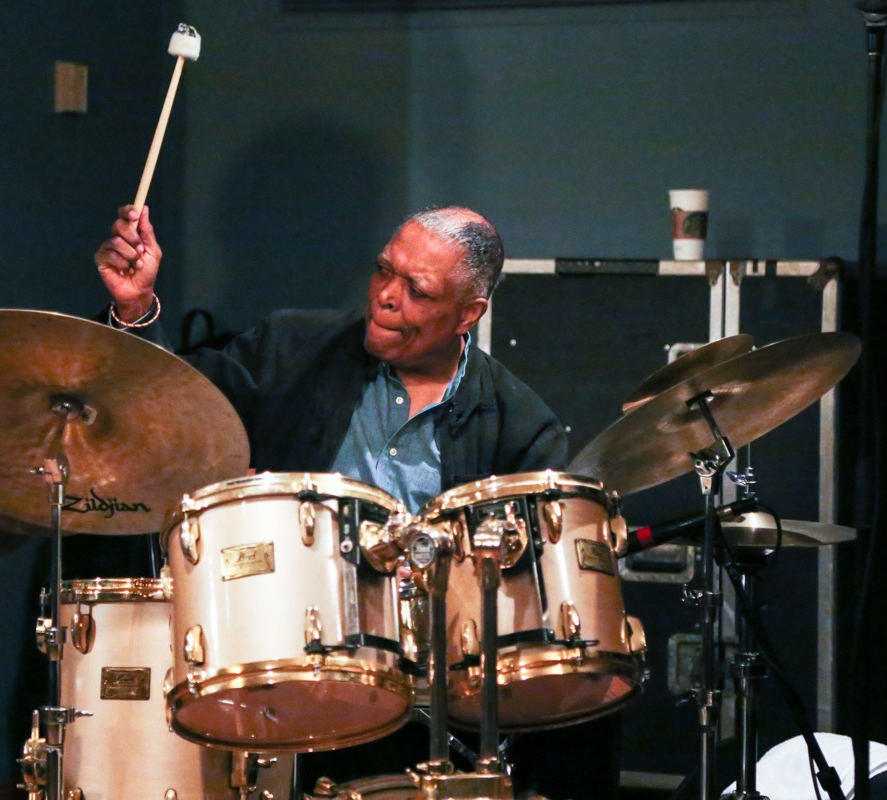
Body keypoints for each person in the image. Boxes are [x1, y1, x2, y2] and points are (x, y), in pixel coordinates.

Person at [93, 204, 621, 799]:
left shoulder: (520, 425)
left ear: (468, 314)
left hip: (431, 682)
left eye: (417, 291)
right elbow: (172, 412)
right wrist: (136, 310)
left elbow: (523, 595)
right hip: (280, 655)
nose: (386, 296)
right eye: (383, 270)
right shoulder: (291, 347)